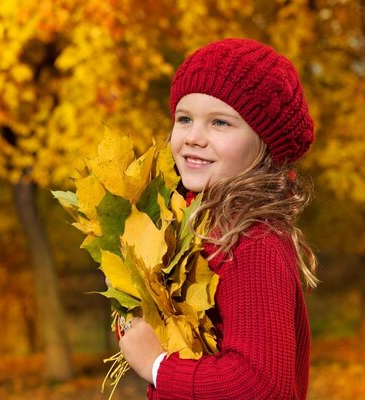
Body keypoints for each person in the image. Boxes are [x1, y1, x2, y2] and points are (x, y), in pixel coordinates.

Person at [118, 38, 318, 399]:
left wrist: (156, 366)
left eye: (221, 123)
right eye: (184, 118)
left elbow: (261, 385)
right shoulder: (195, 227)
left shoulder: (253, 241)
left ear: (264, 144)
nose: (194, 137)